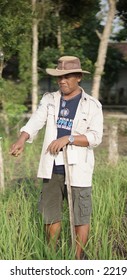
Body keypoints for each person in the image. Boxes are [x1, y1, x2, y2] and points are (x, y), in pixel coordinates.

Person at [10, 56, 103, 260]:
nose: (62, 81)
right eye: (59, 77)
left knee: (80, 213)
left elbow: (95, 138)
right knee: (50, 213)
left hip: (78, 168)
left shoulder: (92, 105)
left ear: (78, 77)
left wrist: (68, 138)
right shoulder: (50, 99)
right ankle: (51, 256)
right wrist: (21, 139)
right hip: (52, 165)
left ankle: (78, 258)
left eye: (67, 76)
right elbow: (36, 120)